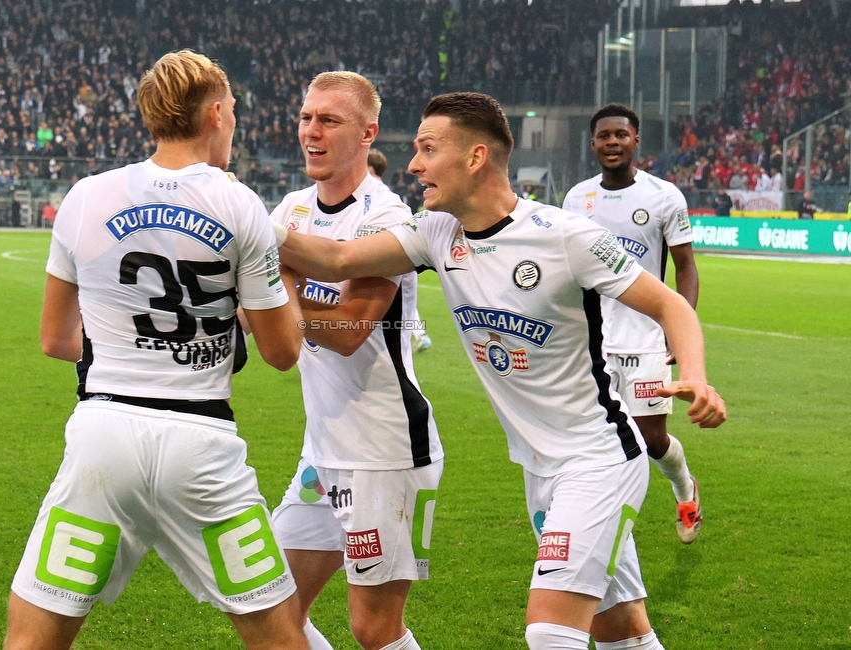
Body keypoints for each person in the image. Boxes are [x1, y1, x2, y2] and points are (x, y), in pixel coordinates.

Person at [275, 92, 726, 650]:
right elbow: (338, 260)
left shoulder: (564, 236)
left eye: (427, 149)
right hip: (540, 472)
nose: (413, 164)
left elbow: (670, 304)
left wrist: (699, 376)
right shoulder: (436, 234)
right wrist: (253, 226)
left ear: (475, 158)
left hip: (600, 461)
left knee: (549, 633)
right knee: (622, 633)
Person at [3, 50, 310, 650]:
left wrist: (131, 348)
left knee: (33, 637)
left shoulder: (86, 196)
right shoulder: (238, 202)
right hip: (201, 445)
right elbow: (282, 351)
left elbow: (55, 339)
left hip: (104, 437)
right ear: (217, 114)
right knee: (277, 636)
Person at [270, 72, 443, 650]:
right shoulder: (291, 210)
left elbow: (348, 330)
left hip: (384, 450)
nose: (311, 132)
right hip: (320, 451)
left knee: (374, 628)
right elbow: (261, 316)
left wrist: (283, 291)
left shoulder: (386, 220)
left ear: (368, 133)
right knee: (270, 609)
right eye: (306, 117)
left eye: (329, 120)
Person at [562, 104, 703, 545]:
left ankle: (684, 486)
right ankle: (603, 524)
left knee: (651, 439)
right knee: (592, 435)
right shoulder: (576, 199)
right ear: (593, 143)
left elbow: (686, 268)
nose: (612, 142)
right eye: (604, 136)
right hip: (591, 341)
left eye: (621, 135)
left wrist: (681, 328)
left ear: (635, 141)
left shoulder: (664, 196)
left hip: (646, 339)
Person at [368, 148, 433, 353]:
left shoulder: (374, 197)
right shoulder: (390, 195)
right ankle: (420, 336)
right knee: (405, 302)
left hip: (389, 255)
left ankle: (416, 338)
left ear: (369, 168)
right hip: (403, 254)